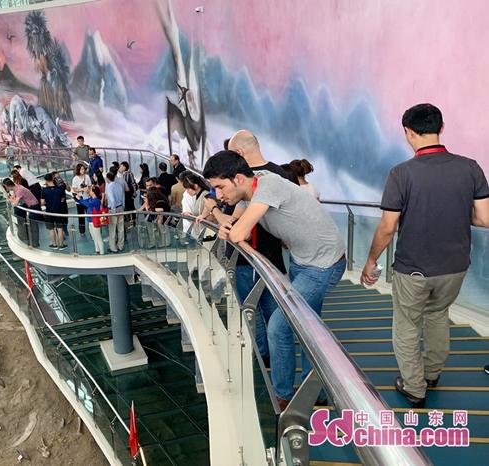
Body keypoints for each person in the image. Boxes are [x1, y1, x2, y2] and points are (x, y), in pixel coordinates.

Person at [360, 103, 489, 408]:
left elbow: (388, 227)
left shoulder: (401, 173)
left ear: (408, 132)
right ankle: (431, 374)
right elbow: (484, 219)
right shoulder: (470, 167)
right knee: (438, 314)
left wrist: (370, 261)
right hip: (455, 267)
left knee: (406, 325)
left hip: (413, 269)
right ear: (440, 128)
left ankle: (414, 388)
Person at [203, 150, 346, 410]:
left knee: (279, 326)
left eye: (220, 187)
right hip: (302, 261)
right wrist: (227, 221)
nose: (219, 195)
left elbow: (239, 233)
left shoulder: (268, 186)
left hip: (323, 265)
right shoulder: (252, 186)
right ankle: (316, 390)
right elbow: (237, 222)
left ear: (238, 178)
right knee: (310, 326)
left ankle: (284, 398)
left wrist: (226, 223)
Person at [3, 176, 40, 247]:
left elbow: (14, 203)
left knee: (34, 225)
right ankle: (33, 241)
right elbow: (13, 198)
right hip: (31, 206)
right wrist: (11, 198)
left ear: (9, 186)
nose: (6, 189)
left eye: (6, 187)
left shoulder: (19, 190)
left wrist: (8, 198)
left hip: (34, 206)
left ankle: (35, 243)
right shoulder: (17, 187)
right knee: (32, 225)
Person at [41, 173, 68, 250]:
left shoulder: (44, 190)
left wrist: (48, 202)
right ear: (53, 179)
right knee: (60, 228)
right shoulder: (60, 189)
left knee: (51, 229)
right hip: (59, 211)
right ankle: (61, 245)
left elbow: (42, 202)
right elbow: (62, 199)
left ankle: (54, 244)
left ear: (45, 180)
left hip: (49, 211)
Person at [76, 185, 105, 254]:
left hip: (95, 222)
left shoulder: (97, 201)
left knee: (98, 237)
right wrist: (78, 198)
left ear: (94, 192)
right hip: (90, 221)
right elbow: (84, 202)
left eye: (91, 190)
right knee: (94, 237)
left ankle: (102, 253)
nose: (89, 190)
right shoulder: (90, 199)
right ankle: (97, 250)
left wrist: (80, 200)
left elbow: (88, 204)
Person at [181, 172, 210, 236]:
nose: (187, 191)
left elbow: (210, 214)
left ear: (195, 186)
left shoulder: (205, 195)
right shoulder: (198, 196)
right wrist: (190, 215)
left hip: (205, 234)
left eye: (188, 189)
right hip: (200, 232)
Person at [104, 171, 125, 253]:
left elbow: (112, 200)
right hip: (120, 208)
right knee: (121, 228)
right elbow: (123, 197)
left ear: (108, 178)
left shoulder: (109, 187)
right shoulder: (119, 185)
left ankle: (113, 247)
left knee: (112, 229)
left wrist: (113, 210)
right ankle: (121, 245)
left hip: (113, 209)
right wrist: (122, 207)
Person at [71, 164, 92, 237]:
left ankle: (91, 230)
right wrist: (82, 189)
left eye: (83, 169)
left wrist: (89, 191)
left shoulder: (87, 177)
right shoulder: (75, 178)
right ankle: (82, 231)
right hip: (80, 200)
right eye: (81, 169)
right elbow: (74, 189)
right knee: (81, 217)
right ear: (78, 170)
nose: (83, 170)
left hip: (87, 199)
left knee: (90, 215)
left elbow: (90, 186)